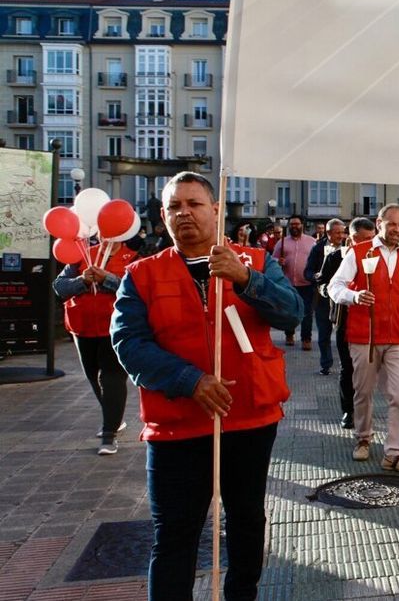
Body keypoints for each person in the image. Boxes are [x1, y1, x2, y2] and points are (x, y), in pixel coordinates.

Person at [111, 171, 302, 601]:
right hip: (177, 426)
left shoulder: (254, 258)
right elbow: (128, 342)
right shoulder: (141, 274)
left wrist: (246, 279)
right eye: (174, 206)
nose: (184, 214)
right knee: (175, 533)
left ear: (216, 210)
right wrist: (189, 380)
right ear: (163, 216)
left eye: (194, 204)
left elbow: (291, 314)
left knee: (247, 519)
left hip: (249, 417)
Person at [328, 204, 399, 473]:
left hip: (398, 336)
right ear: (379, 222)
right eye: (392, 224)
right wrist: (354, 296)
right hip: (365, 336)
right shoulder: (358, 252)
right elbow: (333, 287)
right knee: (363, 391)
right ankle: (363, 438)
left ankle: (394, 452)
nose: (397, 230)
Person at [53, 239, 138, 454]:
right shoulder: (79, 256)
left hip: (116, 328)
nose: (107, 236)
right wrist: (82, 280)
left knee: (111, 377)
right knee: (92, 375)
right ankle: (114, 417)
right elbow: (60, 287)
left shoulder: (133, 258)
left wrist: (107, 279)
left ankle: (109, 434)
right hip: (82, 327)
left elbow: (136, 288)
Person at [330, 218, 377, 428]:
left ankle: (363, 410)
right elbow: (324, 283)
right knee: (347, 367)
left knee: (366, 370)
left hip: (368, 320)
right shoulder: (334, 257)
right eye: (366, 239)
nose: (371, 242)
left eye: (373, 237)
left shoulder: (377, 257)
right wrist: (343, 294)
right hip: (344, 317)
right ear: (353, 238)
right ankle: (348, 411)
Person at [305, 218, 347, 375]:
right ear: (328, 233)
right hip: (324, 296)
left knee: (343, 334)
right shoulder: (317, 248)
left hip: (343, 297)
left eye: (343, 232)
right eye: (337, 232)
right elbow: (307, 271)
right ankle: (326, 364)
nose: (341, 236)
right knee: (324, 333)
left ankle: (345, 363)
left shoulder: (347, 247)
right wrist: (315, 277)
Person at [273, 215, 317, 349]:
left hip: (307, 283)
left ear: (302, 225)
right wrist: (278, 261)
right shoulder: (282, 242)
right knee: (289, 311)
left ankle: (306, 338)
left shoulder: (312, 242)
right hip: (288, 283)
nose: (294, 227)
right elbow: (272, 259)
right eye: (292, 224)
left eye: (297, 224)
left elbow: (316, 261)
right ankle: (289, 334)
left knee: (307, 312)